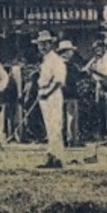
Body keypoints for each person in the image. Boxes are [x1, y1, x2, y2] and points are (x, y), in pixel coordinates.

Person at [35, 31, 67, 168]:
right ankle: (52, 156)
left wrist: (47, 93)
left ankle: (57, 157)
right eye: (40, 44)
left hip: (52, 94)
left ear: (51, 44)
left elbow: (59, 81)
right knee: (50, 127)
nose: (42, 47)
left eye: (45, 44)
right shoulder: (46, 60)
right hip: (44, 93)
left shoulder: (56, 60)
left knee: (55, 126)